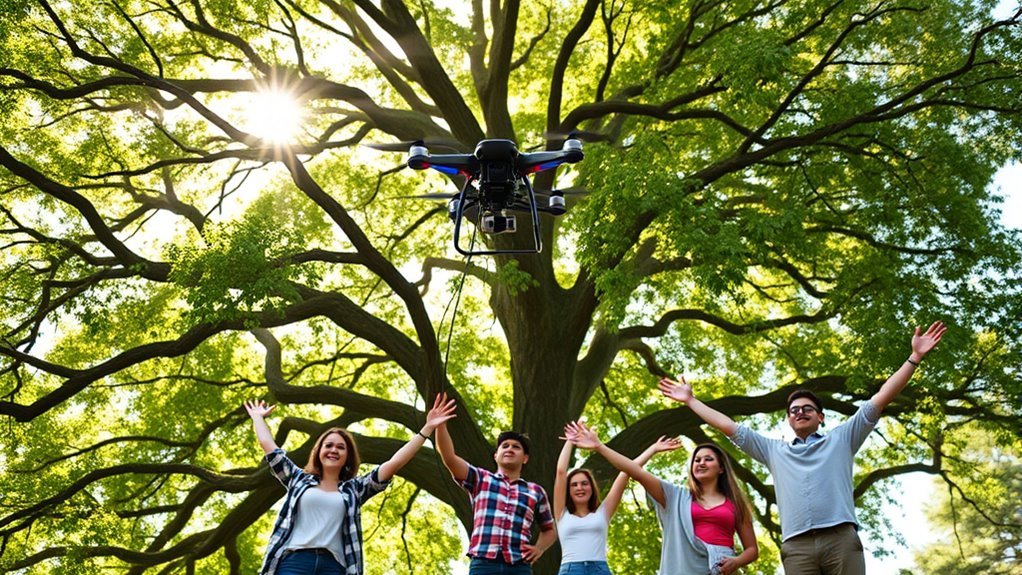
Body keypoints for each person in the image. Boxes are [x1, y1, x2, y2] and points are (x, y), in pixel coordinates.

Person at [659, 321, 946, 575]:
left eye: (807, 408)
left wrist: (914, 357)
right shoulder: (774, 451)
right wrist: (691, 401)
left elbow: (881, 398)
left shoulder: (842, 439)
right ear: (788, 419)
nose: (799, 412)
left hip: (841, 539)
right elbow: (728, 427)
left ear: (821, 416)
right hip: (797, 547)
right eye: (793, 409)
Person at [245, 394, 457, 575]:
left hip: (334, 566)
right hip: (294, 563)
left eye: (340, 447)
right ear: (318, 452)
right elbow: (270, 447)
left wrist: (427, 429)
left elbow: (395, 463)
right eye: (328, 445)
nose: (333, 450)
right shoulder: (298, 479)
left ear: (348, 456)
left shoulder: (355, 489)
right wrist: (257, 417)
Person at [564, 422, 758, 575]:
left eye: (708, 459)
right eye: (697, 460)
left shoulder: (735, 505)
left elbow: (752, 550)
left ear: (721, 468)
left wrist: (737, 561)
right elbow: (633, 471)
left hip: (721, 569)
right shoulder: (675, 496)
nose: (701, 463)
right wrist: (600, 447)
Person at [433, 393, 557, 575]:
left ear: (525, 458)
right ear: (496, 456)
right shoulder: (480, 478)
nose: (510, 449)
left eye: (516, 447)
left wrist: (539, 548)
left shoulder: (535, 491)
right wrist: (440, 426)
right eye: (504, 446)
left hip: (519, 566)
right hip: (483, 563)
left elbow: (549, 530)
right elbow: (449, 458)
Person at [554, 434, 682, 575]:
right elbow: (561, 472)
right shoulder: (561, 513)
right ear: (568, 490)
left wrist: (653, 449)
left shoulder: (603, 512)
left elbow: (625, 473)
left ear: (592, 488)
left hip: (599, 569)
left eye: (585, 483)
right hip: (570, 570)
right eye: (574, 485)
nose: (580, 488)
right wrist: (571, 440)